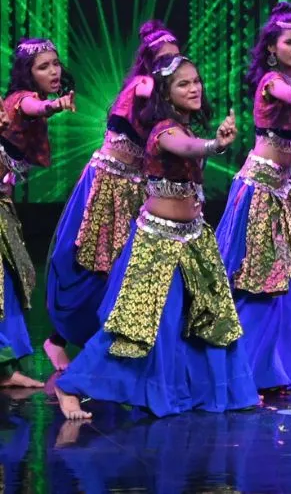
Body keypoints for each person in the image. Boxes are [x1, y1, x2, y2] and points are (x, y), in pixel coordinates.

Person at [55, 55, 257, 420]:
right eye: (183, 84)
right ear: (165, 92)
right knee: (138, 324)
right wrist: (215, 145)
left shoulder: (185, 127)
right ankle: (70, 385)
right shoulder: (165, 131)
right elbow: (188, 149)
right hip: (157, 243)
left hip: (193, 239)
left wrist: (212, 143)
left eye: (196, 81)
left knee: (207, 319)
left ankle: (193, 390)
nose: (194, 88)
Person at [44, 21, 181, 370]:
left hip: (136, 187)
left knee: (128, 267)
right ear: (149, 62)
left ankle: (120, 347)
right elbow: (149, 91)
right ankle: (57, 339)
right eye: (163, 60)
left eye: (176, 59)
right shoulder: (143, 84)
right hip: (106, 184)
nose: (171, 65)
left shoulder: (167, 95)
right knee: (94, 264)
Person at [216, 2, 291, 392]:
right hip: (259, 192)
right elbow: (289, 94)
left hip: (281, 191)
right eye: (290, 43)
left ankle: (282, 366)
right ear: (272, 47)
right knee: (258, 281)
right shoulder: (272, 82)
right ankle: (244, 370)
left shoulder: (288, 79)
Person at [0, 38, 74, 388]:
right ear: (27, 73)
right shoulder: (21, 99)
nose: (54, 71)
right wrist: (54, 105)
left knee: (11, 279)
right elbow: (32, 107)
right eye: (44, 67)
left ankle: (5, 368)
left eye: (55, 63)